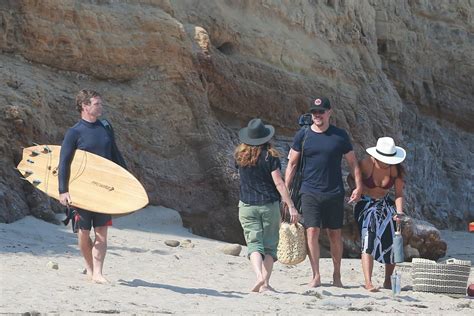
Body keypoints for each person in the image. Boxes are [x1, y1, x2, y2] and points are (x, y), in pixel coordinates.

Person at [285, 97, 362, 288]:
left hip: (334, 192)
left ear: (329, 112)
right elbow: (292, 163)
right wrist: (285, 190)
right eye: (314, 112)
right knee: (311, 231)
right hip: (309, 191)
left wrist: (358, 187)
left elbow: (353, 163)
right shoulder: (302, 135)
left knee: (335, 234)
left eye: (321, 111)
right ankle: (316, 275)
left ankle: (337, 275)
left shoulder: (340, 135)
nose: (317, 115)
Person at [58, 89, 126, 283]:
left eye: (100, 103)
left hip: (103, 189)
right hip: (82, 190)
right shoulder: (74, 132)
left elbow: (114, 154)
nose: (101, 107)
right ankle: (89, 267)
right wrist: (63, 190)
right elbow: (64, 162)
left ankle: (98, 272)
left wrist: (125, 178)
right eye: (97, 104)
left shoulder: (106, 127)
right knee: (84, 233)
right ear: (85, 106)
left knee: (102, 233)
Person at [235, 118, 299, 293]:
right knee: (270, 246)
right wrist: (290, 204)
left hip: (246, 205)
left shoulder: (240, 156)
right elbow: (279, 183)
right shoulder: (270, 156)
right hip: (268, 205)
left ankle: (258, 276)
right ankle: (265, 283)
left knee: (254, 244)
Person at [353, 137, 406, 292]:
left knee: (392, 239)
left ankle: (388, 281)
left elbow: (399, 194)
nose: (387, 162)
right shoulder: (366, 164)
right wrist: (357, 190)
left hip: (385, 204)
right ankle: (368, 282)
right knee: (368, 237)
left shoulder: (396, 170)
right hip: (366, 204)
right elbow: (352, 179)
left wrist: (400, 212)